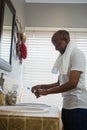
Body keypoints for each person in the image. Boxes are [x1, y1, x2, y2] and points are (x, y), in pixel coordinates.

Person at [31, 30, 87, 130]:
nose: (56, 48)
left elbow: (73, 83)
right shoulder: (64, 58)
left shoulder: (76, 54)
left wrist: (47, 92)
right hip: (67, 106)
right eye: (54, 46)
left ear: (65, 40)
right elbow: (59, 83)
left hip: (78, 107)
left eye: (58, 45)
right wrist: (41, 86)